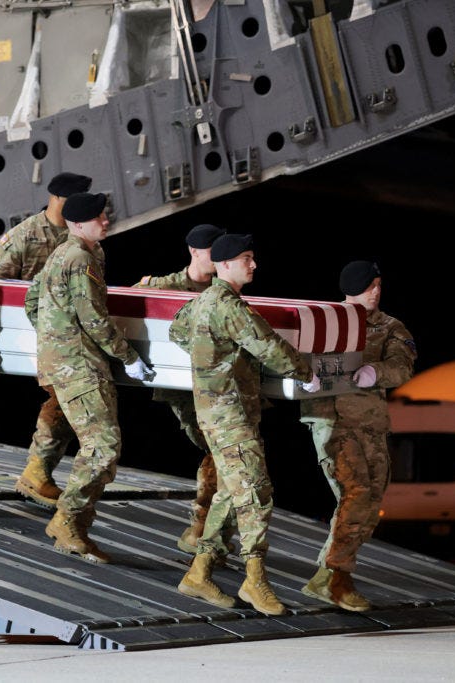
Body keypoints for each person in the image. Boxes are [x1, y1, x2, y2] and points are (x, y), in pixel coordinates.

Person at [168, 233, 320, 615]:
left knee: (229, 493)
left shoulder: (201, 302)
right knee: (255, 493)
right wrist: (306, 373)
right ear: (224, 264)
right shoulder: (229, 306)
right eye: (246, 258)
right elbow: (268, 345)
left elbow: (176, 331)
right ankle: (255, 579)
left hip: (216, 413)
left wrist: (215, 361)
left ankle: (199, 573)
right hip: (231, 416)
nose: (253, 264)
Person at [24, 192, 153, 563]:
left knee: (94, 442)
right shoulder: (80, 258)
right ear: (78, 224)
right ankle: (68, 522)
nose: (106, 221)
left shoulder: (64, 253)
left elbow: (32, 301)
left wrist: (54, 336)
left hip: (64, 362)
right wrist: (128, 357)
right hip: (79, 366)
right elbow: (94, 319)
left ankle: (68, 518)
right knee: (103, 448)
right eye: (99, 217)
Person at [298, 260, 416, 611]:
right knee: (357, 493)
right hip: (333, 421)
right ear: (351, 287)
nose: (376, 291)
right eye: (369, 285)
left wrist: (375, 372)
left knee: (371, 503)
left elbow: (403, 366)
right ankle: (339, 579)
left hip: (372, 424)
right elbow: (298, 354)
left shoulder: (390, 326)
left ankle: (324, 578)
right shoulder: (325, 321)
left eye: (378, 284)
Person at [0, 172, 93, 508]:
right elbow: (1, 290)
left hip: (71, 339)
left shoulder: (81, 235)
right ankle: (37, 472)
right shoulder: (24, 235)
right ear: (58, 198)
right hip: (35, 338)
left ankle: (40, 471)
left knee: (66, 401)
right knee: (65, 399)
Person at [132, 223, 237, 555]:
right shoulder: (166, 287)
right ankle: (201, 529)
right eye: (211, 250)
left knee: (222, 453)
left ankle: (208, 531)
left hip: (218, 387)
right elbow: (126, 306)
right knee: (220, 451)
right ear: (193, 251)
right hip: (186, 388)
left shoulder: (225, 288)